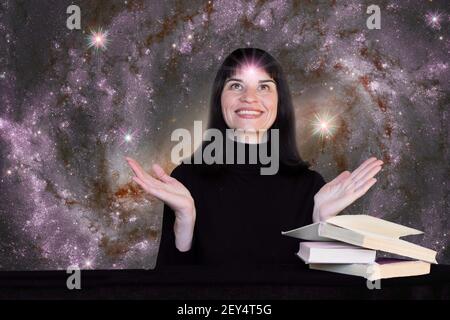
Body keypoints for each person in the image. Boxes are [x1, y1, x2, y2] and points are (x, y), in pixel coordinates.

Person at [126, 48, 383, 268]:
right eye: (236, 85)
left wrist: (323, 224)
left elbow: (321, 293)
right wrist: (185, 219)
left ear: (279, 102)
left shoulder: (310, 188)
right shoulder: (186, 180)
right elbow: (168, 291)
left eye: (264, 86)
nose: (249, 98)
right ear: (219, 99)